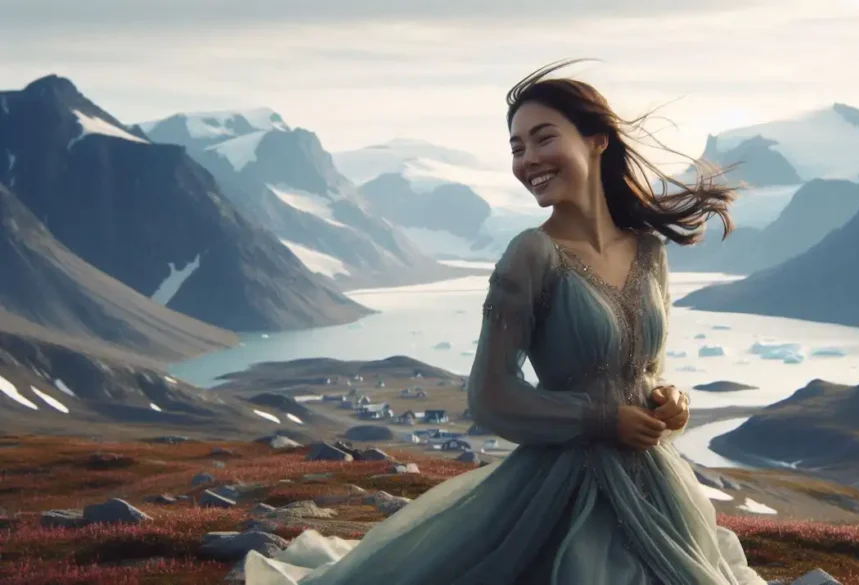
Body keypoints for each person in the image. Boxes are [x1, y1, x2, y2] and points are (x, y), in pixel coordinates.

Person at [243, 59, 766, 585]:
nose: (528, 160)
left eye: (543, 139)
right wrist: (601, 421)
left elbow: (647, 366)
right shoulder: (531, 253)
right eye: (517, 148)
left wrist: (670, 401)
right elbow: (490, 394)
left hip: (657, 485)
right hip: (565, 490)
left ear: (597, 140)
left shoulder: (650, 249)